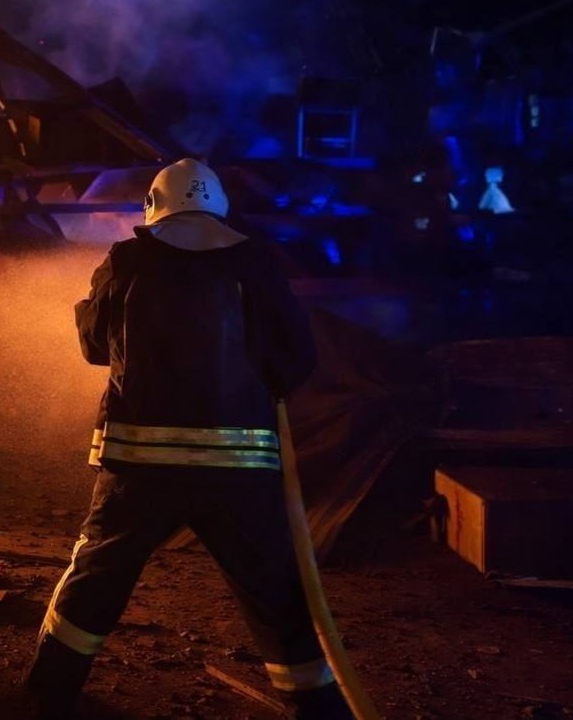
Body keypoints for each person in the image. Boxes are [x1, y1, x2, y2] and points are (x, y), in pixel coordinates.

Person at [23, 158, 350, 719]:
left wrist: (89, 310)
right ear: (219, 206)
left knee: (98, 576)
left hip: (139, 466)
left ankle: (47, 697)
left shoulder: (129, 258)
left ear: (153, 207)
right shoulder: (255, 260)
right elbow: (296, 358)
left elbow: (95, 346)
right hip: (240, 467)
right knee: (275, 588)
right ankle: (318, 710)